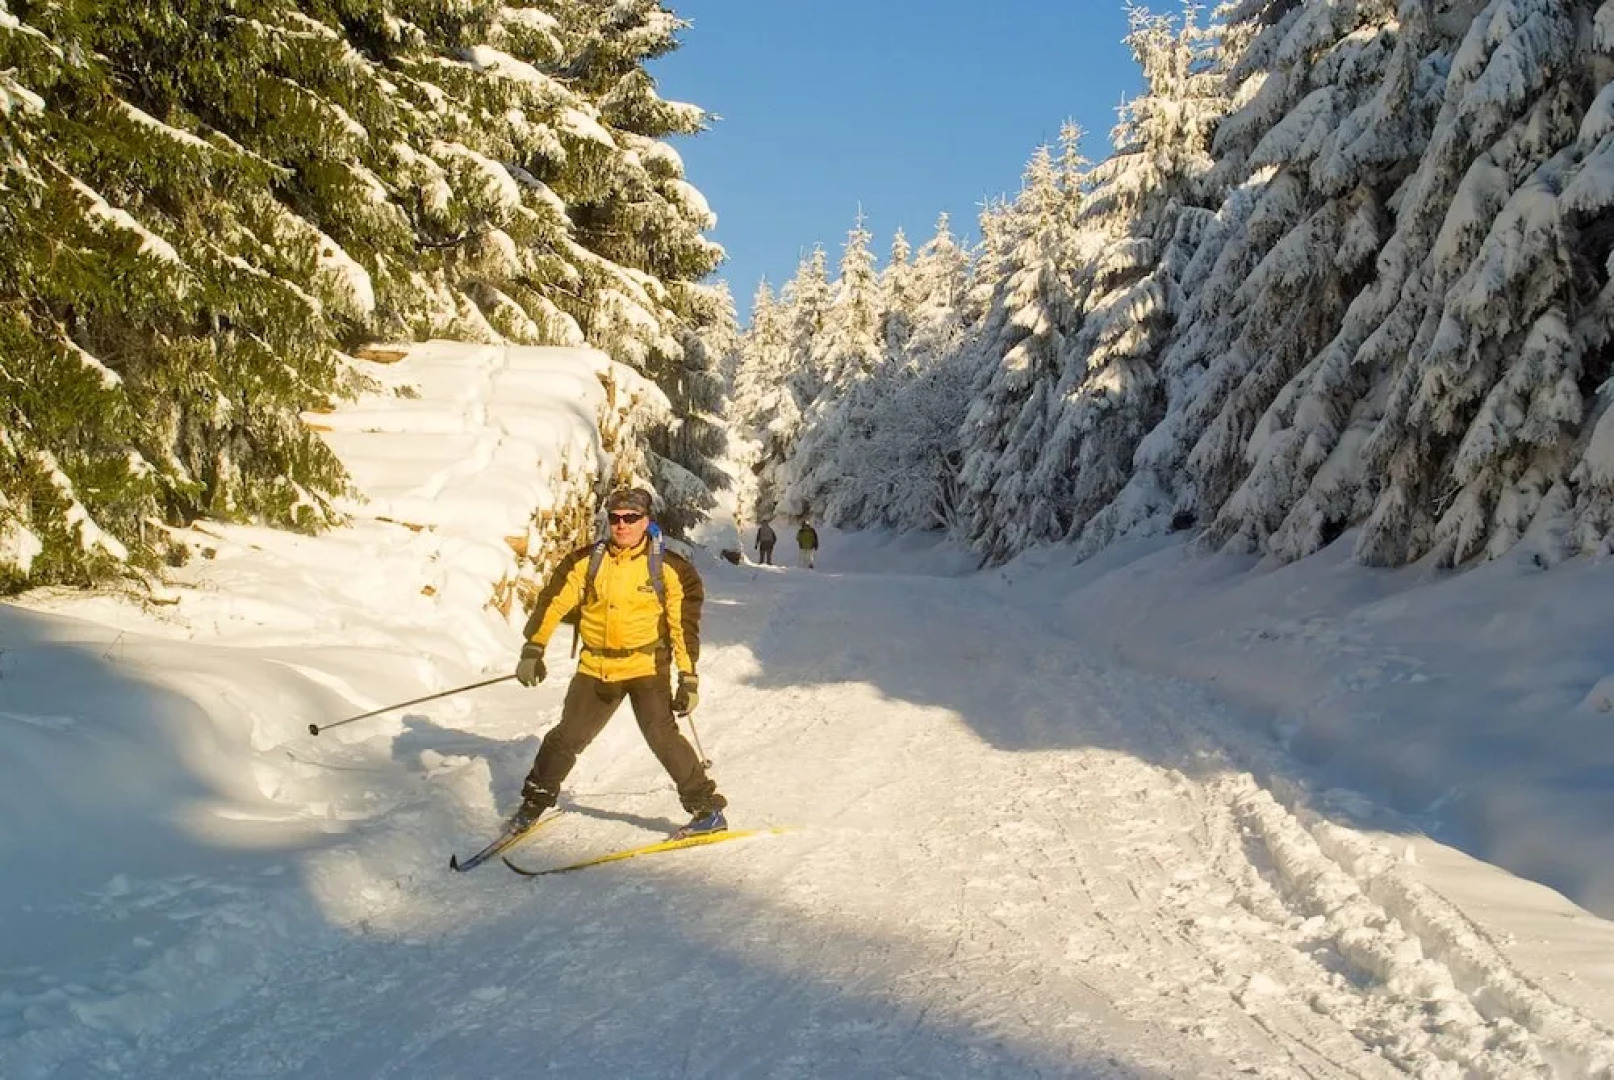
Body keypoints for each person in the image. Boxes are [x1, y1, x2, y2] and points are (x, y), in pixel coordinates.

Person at [511, 487, 727, 838]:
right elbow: (552, 603)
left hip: (646, 667)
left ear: (647, 521)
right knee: (567, 736)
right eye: (615, 518)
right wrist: (533, 649)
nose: (622, 525)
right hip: (595, 667)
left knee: (662, 737)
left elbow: (682, 627)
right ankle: (533, 803)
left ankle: (707, 810)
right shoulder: (585, 562)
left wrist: (688, 679)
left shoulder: (670, 568)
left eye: (631, 518)